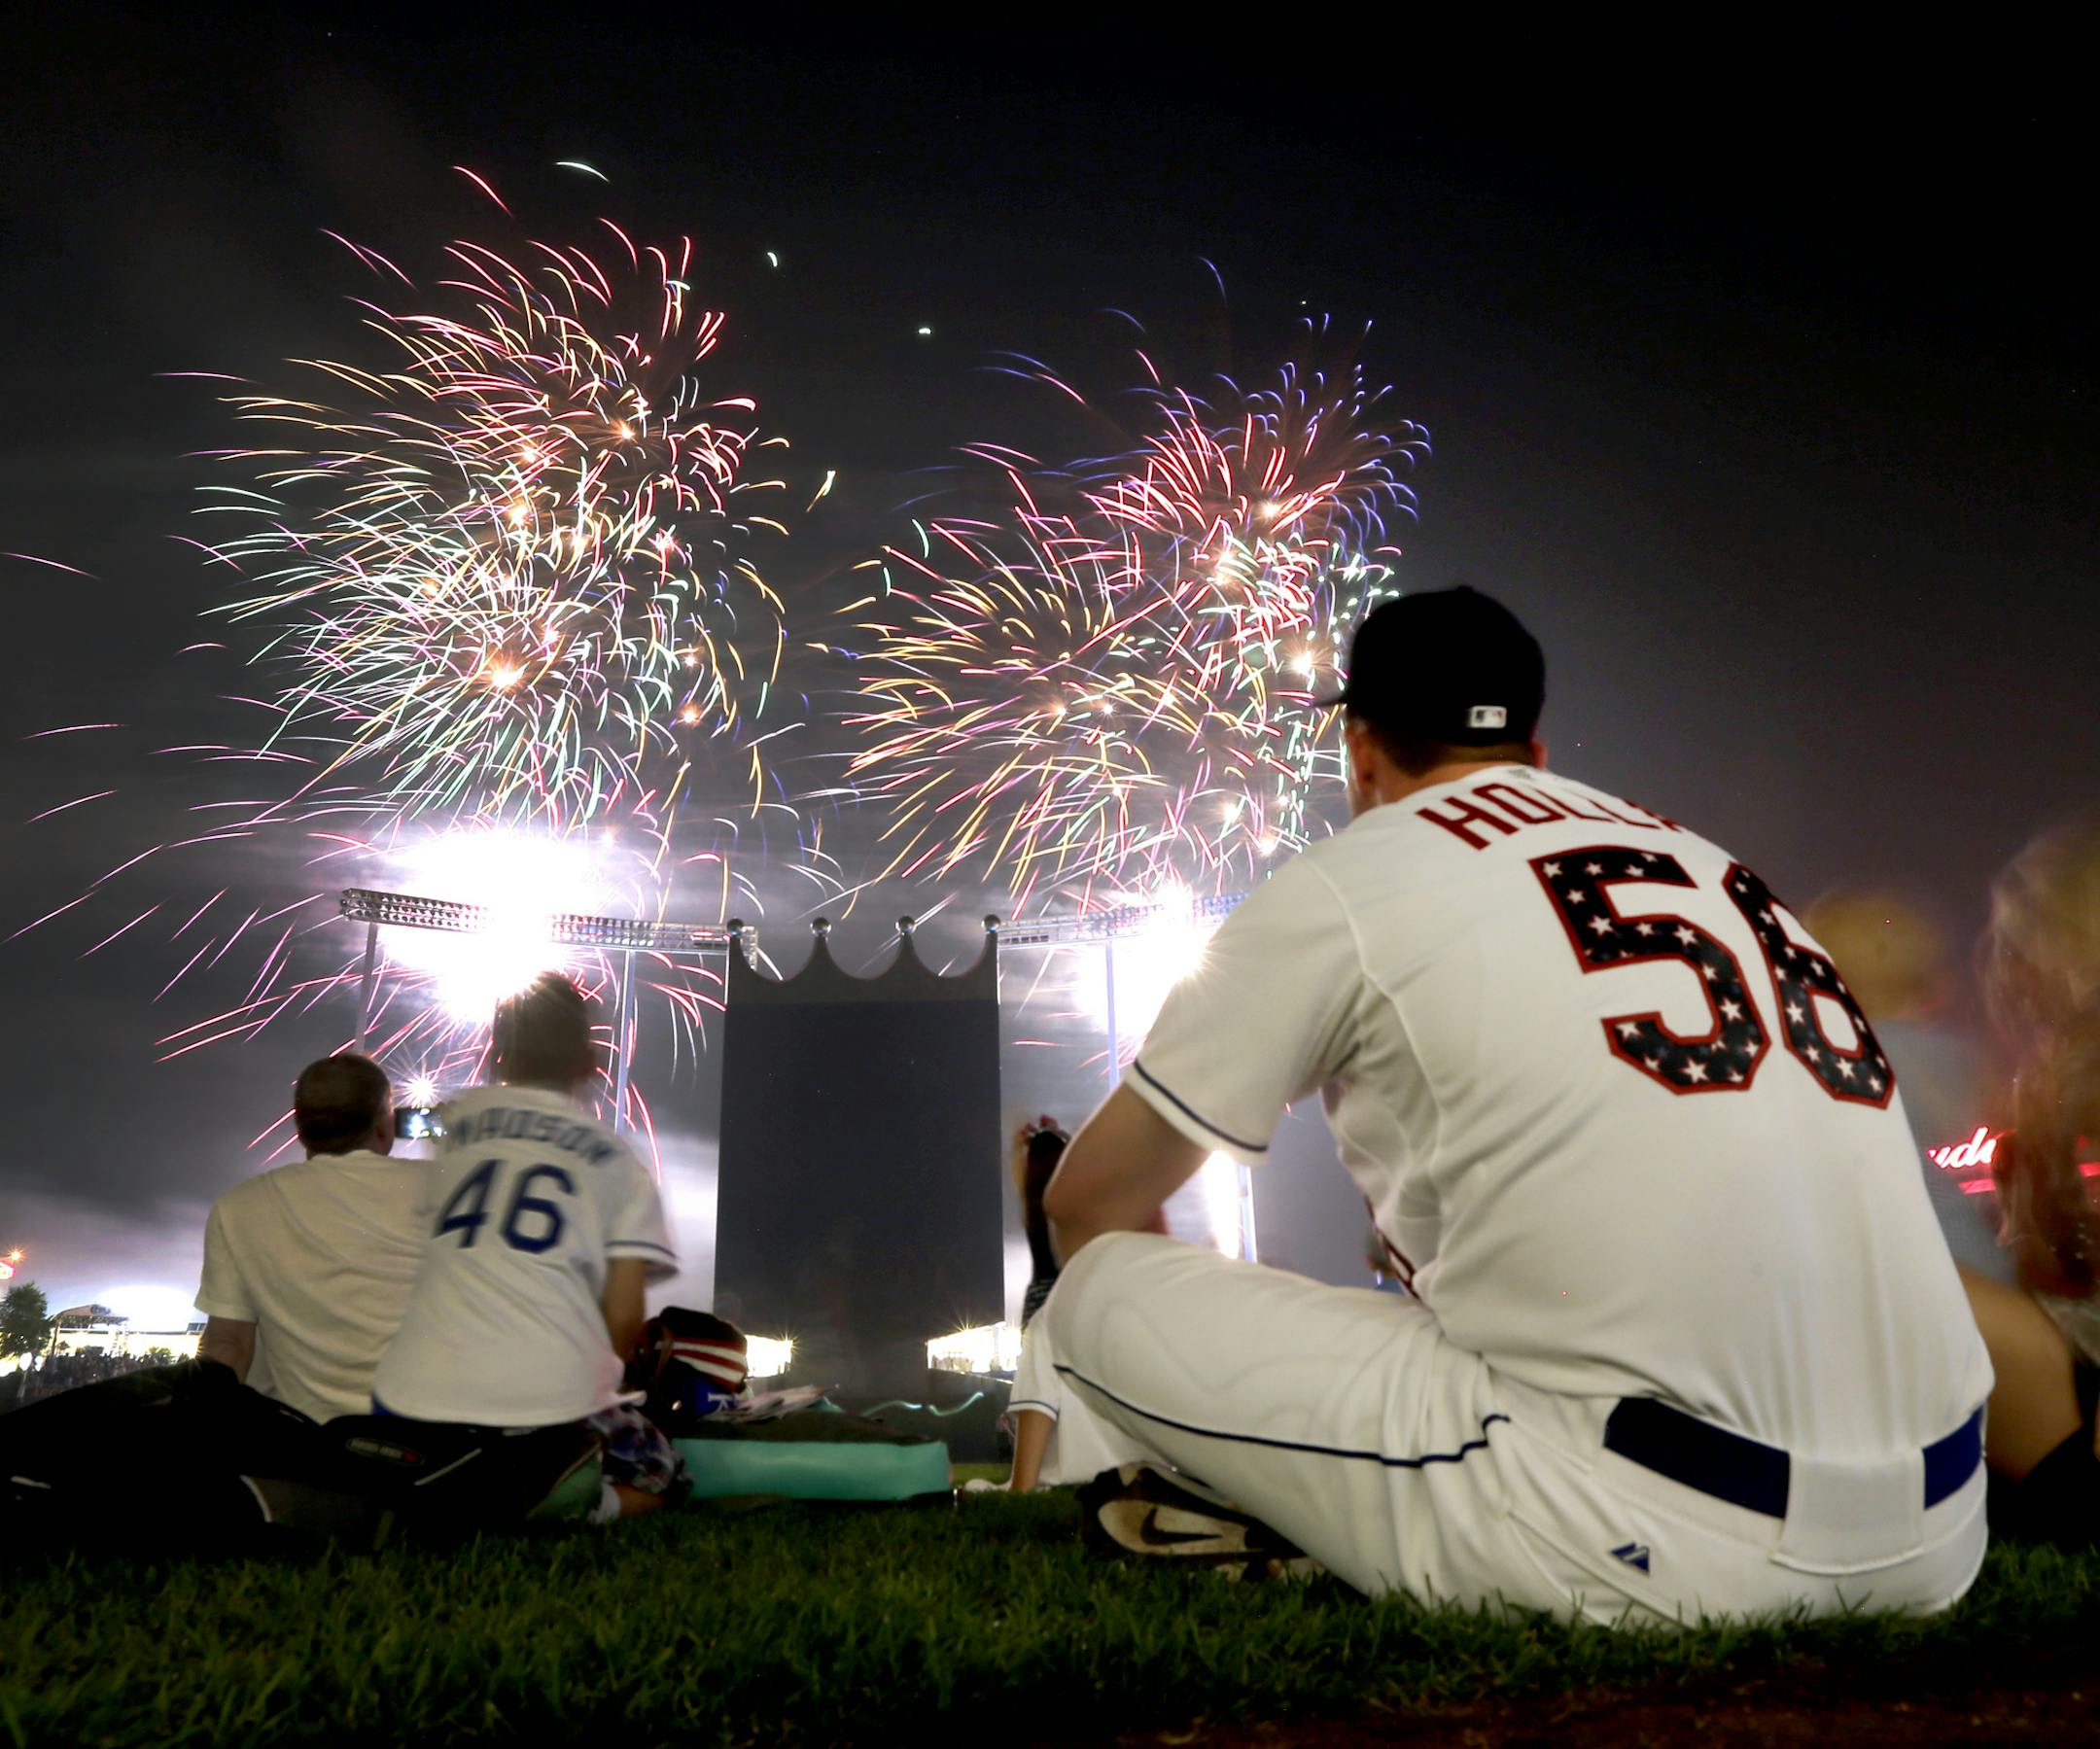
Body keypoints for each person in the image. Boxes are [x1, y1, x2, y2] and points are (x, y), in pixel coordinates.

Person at [1035, 584, 1992, 1622]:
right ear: (1535, 750)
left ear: (1361, 754)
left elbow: (1088, 1206)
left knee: (1096, 1294)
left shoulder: (1352, 877)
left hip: (1643, 1532)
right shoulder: (1719, 868)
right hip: (1944, 1533)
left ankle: (1253, 1503)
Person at [371, 972, 683, 1520]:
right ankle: (581, 1503)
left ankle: (451, 1479)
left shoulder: (453, 1127)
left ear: (498, 1056)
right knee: (661, 1470)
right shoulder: (616, 1160)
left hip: (405, 1400)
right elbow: (623, 1310)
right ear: (590, 1060)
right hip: (543, 1408)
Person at [1956, 821, 2100, 1547]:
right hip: (2067, 1377)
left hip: (2078, 1412)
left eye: (2013, 932)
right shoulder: (2044, 1075)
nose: (1994, 954)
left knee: (1907, 1277)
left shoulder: (2076, 1069)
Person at [194, 1053, 426, 1424]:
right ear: (386, 1127)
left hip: (314, 1452)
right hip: (445, 1451)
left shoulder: (240, 1206)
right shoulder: (450, 1188)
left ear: (299, 1128)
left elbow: (228, 1346)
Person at [1802, 890, 2010, 1281]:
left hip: (1891, 1268)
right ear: (1940, 986)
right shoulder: (1967, 1062)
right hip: (1982, 1263)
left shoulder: (1822, 1063)